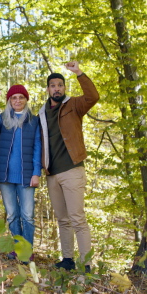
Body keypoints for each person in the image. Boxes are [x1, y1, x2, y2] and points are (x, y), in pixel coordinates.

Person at [38, 61, 99, 272]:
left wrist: (79, 73)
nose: (57, 88)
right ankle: (67, 259)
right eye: (53, 85)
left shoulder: (73, 105)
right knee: (62, 219)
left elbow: (93, 97)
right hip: (52, 173)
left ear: (64, 88)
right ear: (48, 89)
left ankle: (86, 263)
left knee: (77, 219)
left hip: (72, 170)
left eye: (60, 85)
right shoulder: (42, 113)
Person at [0, 85, 42, 261]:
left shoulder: (34, 121)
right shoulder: (3, 119)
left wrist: (36, 172)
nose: (17, 101)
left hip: (27, 175)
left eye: (21, 97)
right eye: (13, 98)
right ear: (9, 100)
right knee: (12, 214)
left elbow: (38, 148)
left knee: (28, 216)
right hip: (6, 175)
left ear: (26, 100)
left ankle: (27, 252)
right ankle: (17, 247)